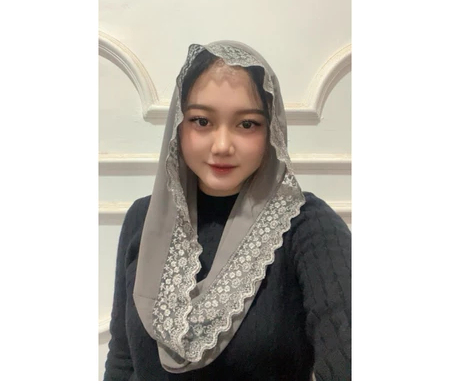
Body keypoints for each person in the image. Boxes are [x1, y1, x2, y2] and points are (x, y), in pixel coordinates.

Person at [103, 41, 351, 380]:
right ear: (178, 126)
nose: (222, 146)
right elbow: (122, 360)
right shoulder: (143, 219)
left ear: (272, 131)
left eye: (247, 124)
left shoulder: (307, 225)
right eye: (202, 121)